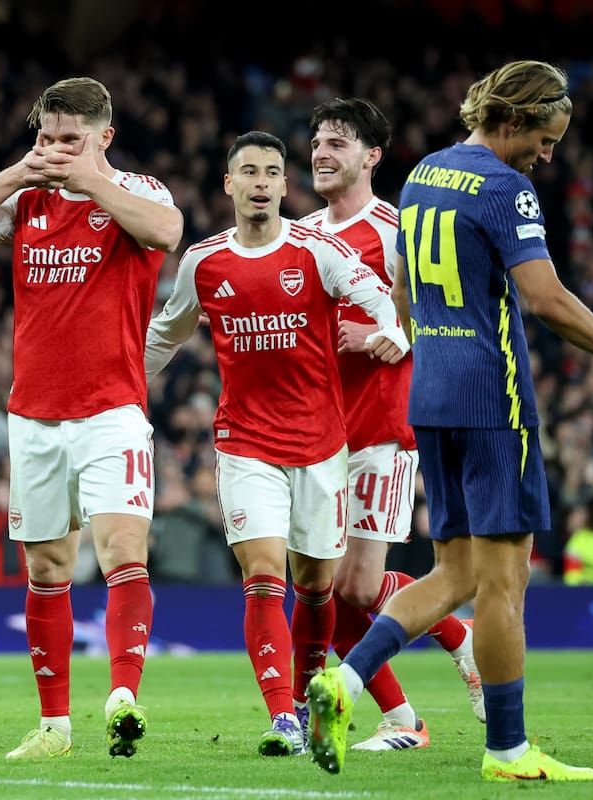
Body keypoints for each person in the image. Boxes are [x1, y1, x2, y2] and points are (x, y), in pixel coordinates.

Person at [305, 59, 593, 780]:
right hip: (493, 401)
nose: (550, 154)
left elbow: (405, 287)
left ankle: (343, 682)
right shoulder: (506, 188)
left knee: (453, 573)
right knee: (505, 583)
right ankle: (508, 749)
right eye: (545, 137)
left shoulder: (421, 177)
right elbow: (545, 298)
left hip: (433, 397)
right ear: (513, 119)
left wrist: (424, 349)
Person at [0, 76, 183, 760]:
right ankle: (54, 727)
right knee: (45, 567)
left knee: (124, 548)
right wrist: (17, 171)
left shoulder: (139, 193)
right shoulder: (26, 200)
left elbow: (167, 231)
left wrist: (90, 180)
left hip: (112, 411)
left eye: (72, 140)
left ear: (105, 137)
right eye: (47, 138)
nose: (57, 150)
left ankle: (123, 695)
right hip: (34, 417)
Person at [145, 130, 410, 757]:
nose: (261, 182)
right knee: (264, 575)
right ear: (229, 185)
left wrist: (394, 333)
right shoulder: (204, 262)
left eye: (271, 172)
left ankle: (304, 698)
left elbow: (376, 295)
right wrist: (118, 385)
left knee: (317, 587)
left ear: (283, 186)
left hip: (322, 446)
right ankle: (282, 718)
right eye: (249, 172)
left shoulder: (317, 251)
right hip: (246, 444)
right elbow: (167, 332)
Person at [299, 97, 483, 752]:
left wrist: (396, 335)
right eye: (318, 140)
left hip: (379, 427)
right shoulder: (300, 237)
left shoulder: (395, 230)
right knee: (325, 586)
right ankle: (406, 714)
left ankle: (440, 669)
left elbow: (444, 312)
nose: (322, 152)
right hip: (314, 434)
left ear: (372, 156)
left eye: (339, 142)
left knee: (354, 584)